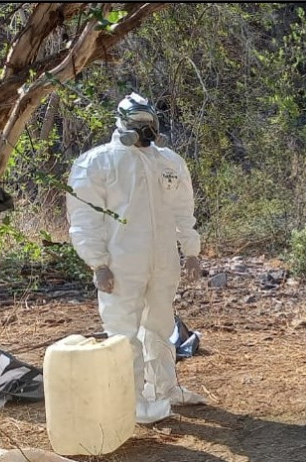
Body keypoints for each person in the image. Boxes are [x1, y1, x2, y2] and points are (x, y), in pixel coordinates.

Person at [66, 92, 206, 424]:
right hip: (121, 263)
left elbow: (182, 210)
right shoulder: (97, 163)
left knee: (160, 325)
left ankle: (164, 389)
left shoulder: (169, 162)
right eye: (139, 126)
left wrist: (191, 252)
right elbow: (84, 218)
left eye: (149, 126)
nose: (145, 132)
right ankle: (133, 400)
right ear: (124, 125)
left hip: (162, 261)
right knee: (123, 331)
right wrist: (97, 263)